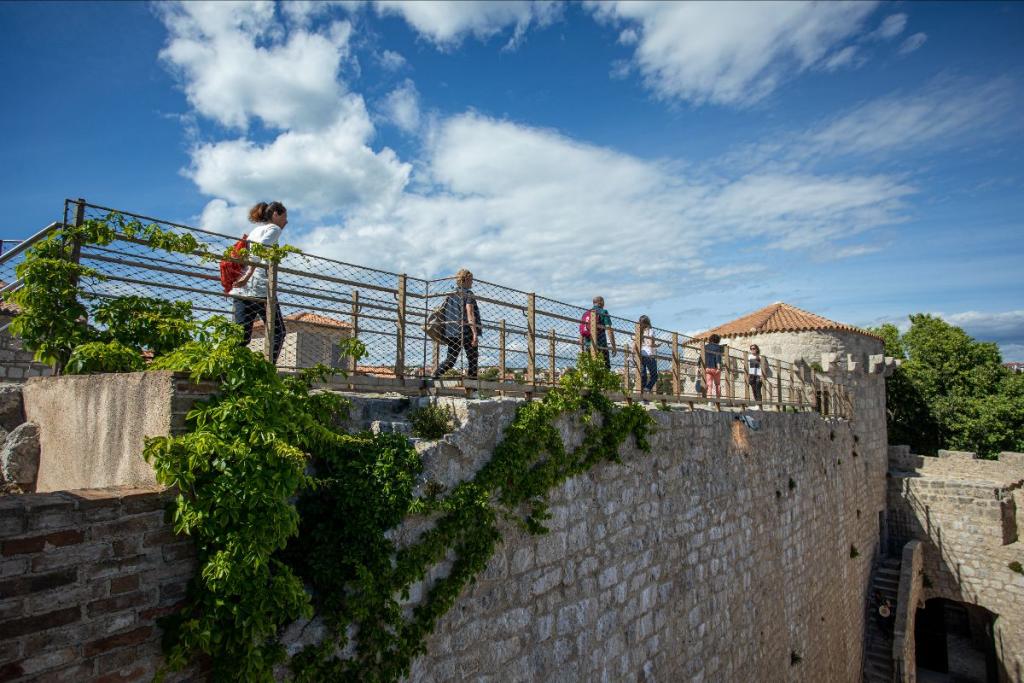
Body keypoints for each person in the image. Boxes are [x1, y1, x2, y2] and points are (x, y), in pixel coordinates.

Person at [228, 201, 287, 363]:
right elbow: (259, 250)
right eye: (284, 216)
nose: (286, 221)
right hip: (261, 290)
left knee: (240, 337)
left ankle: (229, 368)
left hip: (242, 291)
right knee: (278, 332)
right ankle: (267, 369)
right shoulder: (274, 229)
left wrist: (244, 276)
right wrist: (248, 275)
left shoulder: (255, 230)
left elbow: (250, 252)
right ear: (275, 214)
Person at [433, 268, 480, 379]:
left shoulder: (450, 294)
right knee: (473, 358)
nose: (472, 282)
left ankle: (435, 374)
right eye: (471, 280)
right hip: (466, 330)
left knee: (451, 359)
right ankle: (472, 382)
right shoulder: (468, 294)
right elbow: (470, 313)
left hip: (451, 330)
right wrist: (474, 333)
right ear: (466, 280)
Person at [580, 296, 617, 369]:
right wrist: (613, 346)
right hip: (601, 344)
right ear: (601, 302)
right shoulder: (603, 312)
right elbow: (609, 330)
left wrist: (581, 348)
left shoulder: (586, 314)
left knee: (591, 368)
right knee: (605, 368)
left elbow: (582, 331)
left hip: (588, 344)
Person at [634, 315, 659, 397]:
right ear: (648, 322)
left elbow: (636, 343)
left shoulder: (639, 331)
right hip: (649, 355)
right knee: (654, 375)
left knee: (643, 375)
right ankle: (647, 389)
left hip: (641, 354)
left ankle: (641, 394)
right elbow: (651, 343)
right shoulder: (651, 331)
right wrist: (656, 347)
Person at [704, 334, 725, 399]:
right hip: (715, 368)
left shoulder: (705, 347)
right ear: (718, 340)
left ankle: (709, 400)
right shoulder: (718, 347)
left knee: (709, 384)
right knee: (717, 384)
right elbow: (718, 357)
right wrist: (719, 367)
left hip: (707, 368)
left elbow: (701, 356)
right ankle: (718, 399)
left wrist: (699, 366)